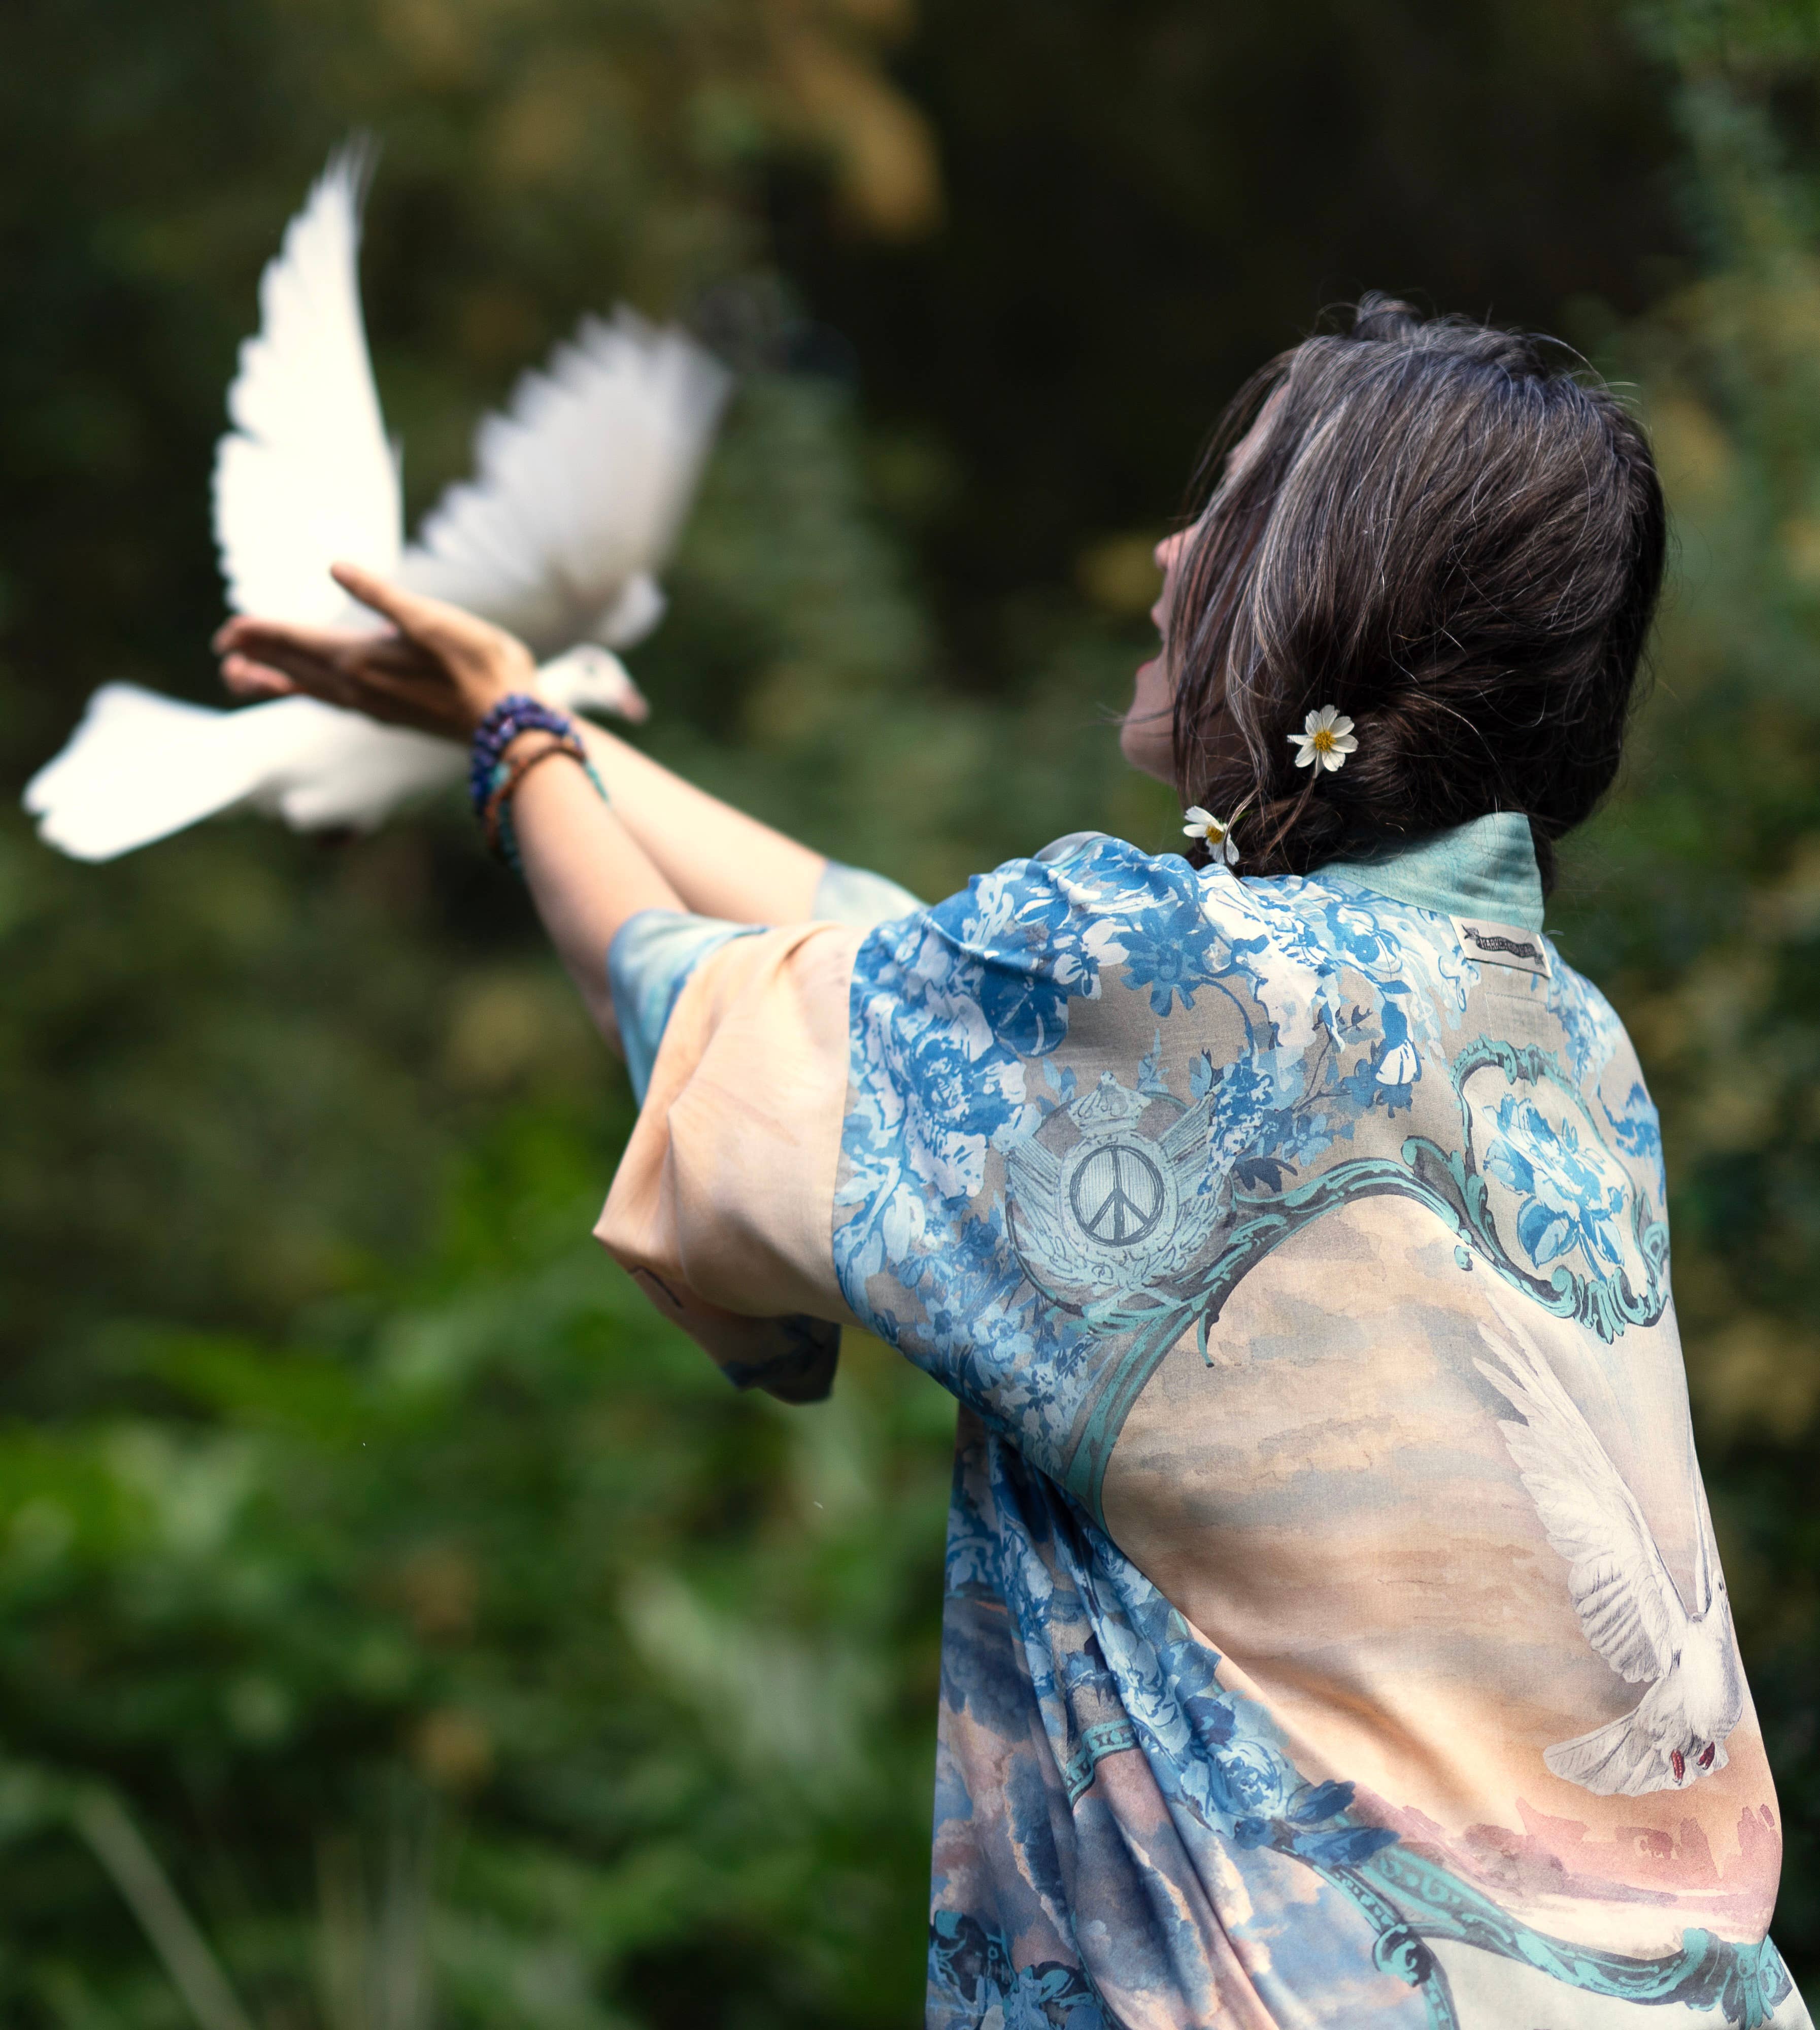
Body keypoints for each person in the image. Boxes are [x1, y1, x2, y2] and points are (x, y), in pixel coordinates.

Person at [216, 297, 1809, 2029]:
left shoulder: (1156, 989)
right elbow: (899, 990)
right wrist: (539, 721)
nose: (1171, 550)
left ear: (1329, 600)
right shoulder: (1540, 1029)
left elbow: (708, 1016)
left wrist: (512, 749)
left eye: (1238, 512)